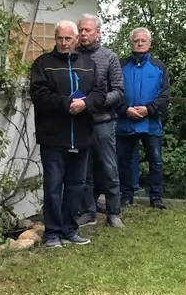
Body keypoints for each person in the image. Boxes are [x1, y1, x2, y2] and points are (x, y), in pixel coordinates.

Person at [30, 20, 99, 248]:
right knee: (53, 186)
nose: (63, 42)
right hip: (53, 137)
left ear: (76, 39)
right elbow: (38, 94)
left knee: (76, 185)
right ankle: (52, 232)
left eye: (68, 38)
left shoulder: (89, 64)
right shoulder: (43, 64)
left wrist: (85, 103)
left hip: (81, 135)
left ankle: (70, 228)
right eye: (59, 38)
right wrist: (66, 104)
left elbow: (100, 92)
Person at [74, 15, 126, 228]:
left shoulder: (109, 57)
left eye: (87, 30)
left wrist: (93, 102)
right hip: (79, 122)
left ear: (98, 33)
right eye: (81, 30)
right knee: (83, 170)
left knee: (108, 167)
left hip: (103, 121)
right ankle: (88, 211)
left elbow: (119, 91)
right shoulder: (72, 56)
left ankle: (113, 213)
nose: (83, 34)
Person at [117, 27, 169, 210]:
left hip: (151, 123)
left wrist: (148, 109)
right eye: (136, 41)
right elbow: (114, 91)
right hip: (126, 122)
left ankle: (156, 197)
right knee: (124, 161)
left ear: (149, 43)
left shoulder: (159, 66)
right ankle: (126, 195)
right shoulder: (120, 65)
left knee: (156, 161)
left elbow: (164, 96)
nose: (139, 44)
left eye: (143, 41)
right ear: (131, 43)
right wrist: (125, 109)